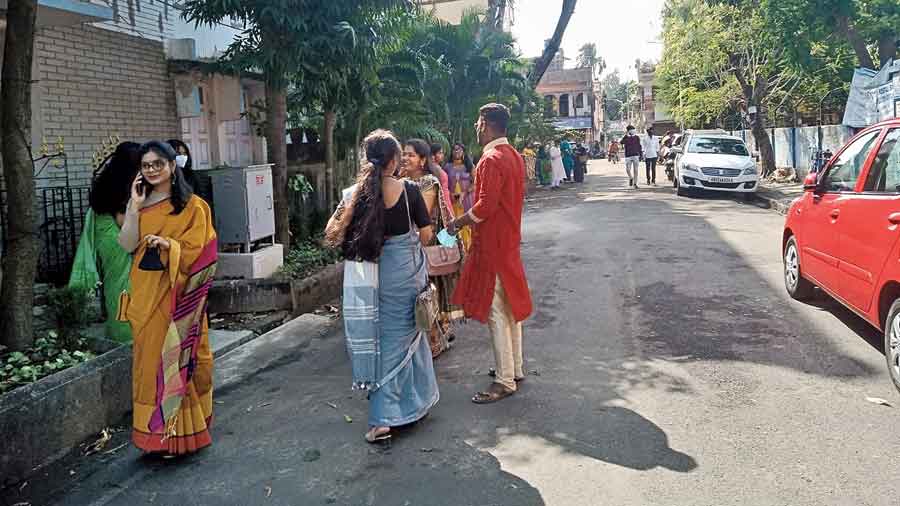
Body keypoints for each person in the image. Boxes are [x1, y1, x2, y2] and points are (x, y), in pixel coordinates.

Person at [324, 130, 439, 444]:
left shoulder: (353, 194)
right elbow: (427, 236)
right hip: (404, 276)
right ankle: (385, 416)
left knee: (383, 339)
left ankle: (402, 409)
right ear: (393, 160)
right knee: (404, 340)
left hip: (369, 278)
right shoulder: (410, 191)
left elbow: (331, 232)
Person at [117, 141, 217, 456]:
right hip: (145, 297)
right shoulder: (139, 204)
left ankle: (182, 436)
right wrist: (134, 206)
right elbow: (127, 244)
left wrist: (169, 246)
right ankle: (155, 437)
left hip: (178, 297)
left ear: (173, 166)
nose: (152, 170)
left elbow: (203, 252)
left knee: (176, 360)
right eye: (146, 165)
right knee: (149, 367)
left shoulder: (194, 207)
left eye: (158, 163)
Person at [450, 103, 533, 404]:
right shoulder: (513, 156)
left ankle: (505, 380)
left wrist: (456, 223)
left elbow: (484, 206)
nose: (475, 126)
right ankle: (516, 368)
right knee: (511, 307)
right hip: (508, 241)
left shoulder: (490, 160)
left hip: (493, 244)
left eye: (477, 121)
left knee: (497, 311)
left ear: (485, 123)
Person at [69, 142, 142, 343]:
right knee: (127, 286)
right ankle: (128, 337)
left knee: (114, 285)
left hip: (105, 239)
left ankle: (116, 331)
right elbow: (125, 222)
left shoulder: (104, 182)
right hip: (121, 240)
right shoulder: (130, 184)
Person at [403, 138, 463, 358]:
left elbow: (423, 215)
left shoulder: (429, 181)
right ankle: (435, 335)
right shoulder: (401, 181)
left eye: (410, 154)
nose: (405, 158)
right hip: (409, 243)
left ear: (422, 159)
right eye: (403, 154)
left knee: (429, 292)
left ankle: (436, 339)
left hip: (429, 242)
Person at [445, 142, 475, 251]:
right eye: (454, 149)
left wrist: (465, 192)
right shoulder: (447, 167)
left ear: (463, 151)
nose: (456, 151)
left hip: (467, 199)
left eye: (459, 149)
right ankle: (451, 252)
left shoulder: (469, 165)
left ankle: (469, 251)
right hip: (453, 199)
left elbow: (475, 182)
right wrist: (450, 194)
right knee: (452, 222)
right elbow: (444, 184)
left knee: (468, 222)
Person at [430, 142, 455, 221]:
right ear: (433, 155)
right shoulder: (434, 168)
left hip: (445, 197)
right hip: (442, 199)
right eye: (440, 153)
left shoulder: (437, 167)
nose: (442, 155)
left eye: (442, 153)